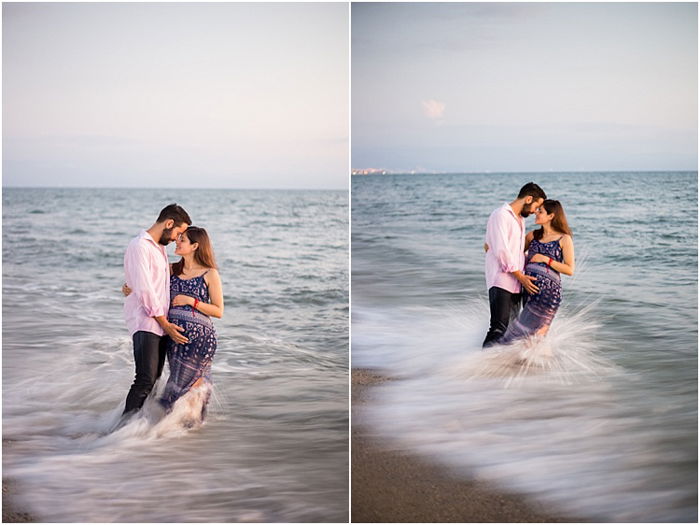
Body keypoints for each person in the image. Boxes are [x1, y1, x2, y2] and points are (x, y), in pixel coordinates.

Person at [124, 226, 224, 422]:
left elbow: (218, 310)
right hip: (174, 338)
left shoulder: (210, 273)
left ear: (195, 246)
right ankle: (174, 429)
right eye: (178, 238)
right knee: (178, 384)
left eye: (183, 240)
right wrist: (130, 287)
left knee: (191, 385)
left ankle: (182, 429)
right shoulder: (171, 269)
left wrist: (190, 301)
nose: (177, 242)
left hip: (200, 341)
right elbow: (146, 283)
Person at [122, 204, 192, 417]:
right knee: (144, 380)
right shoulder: (140, 246)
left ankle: (137, 428)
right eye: (178, 233)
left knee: (153, 380)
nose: (175, 240)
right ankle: (122, 429)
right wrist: (166, 325)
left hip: (160, 323)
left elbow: (152, 281)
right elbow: (145, 290)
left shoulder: (158, 249)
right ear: (169, 223)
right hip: (147, 321)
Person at [499, 200, 575, 344]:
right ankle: (523, 363)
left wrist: (546, 259)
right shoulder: (532, 236)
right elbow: (513, 254)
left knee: (529, 333)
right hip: (528, 289)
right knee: (526, 335)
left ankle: (503, 356)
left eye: (541, 211)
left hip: (548, 294)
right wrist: (494, 245)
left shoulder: (564, 239)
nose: (536, 213)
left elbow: (569, 269)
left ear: (551, 216)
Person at [482, 182, 546, 348]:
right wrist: (522, 278)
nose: (534, 212)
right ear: (528, 199)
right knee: (498, 328)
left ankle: (498, 368)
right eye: (536, 207)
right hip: (501, 280)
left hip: (516, 282)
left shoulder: (519, 220)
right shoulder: (501, 215)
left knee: (510, 331)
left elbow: (515, 251)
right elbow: (502, 251)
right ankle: (480, 368)